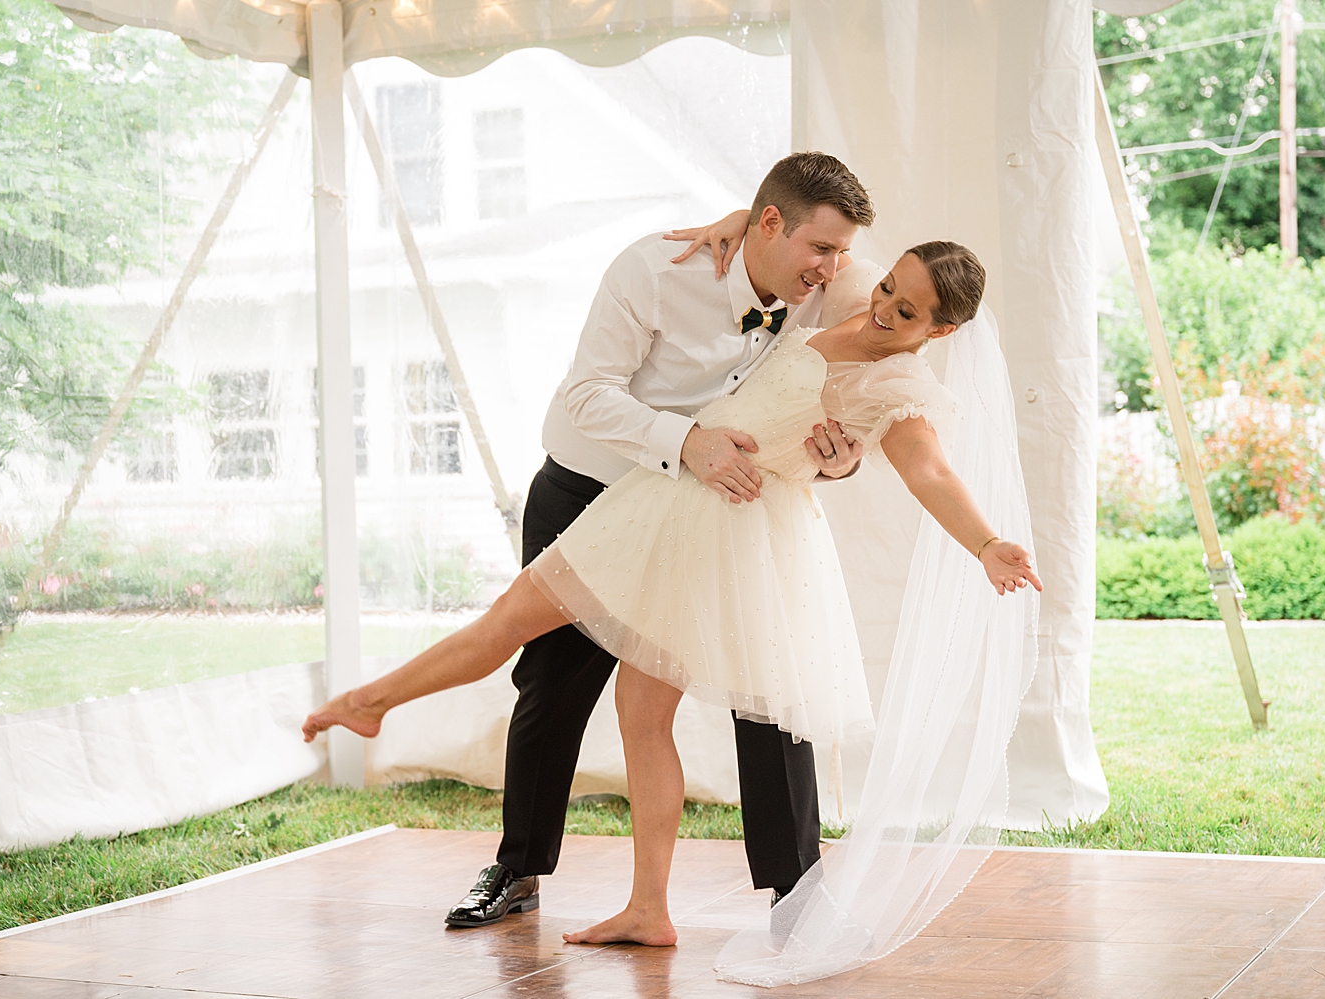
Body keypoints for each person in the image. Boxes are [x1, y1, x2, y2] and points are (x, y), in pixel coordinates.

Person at [302, 240, 1042, 948]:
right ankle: (645, 905)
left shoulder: (901, 386)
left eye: (908, 312)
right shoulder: (852, 288)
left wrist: (985, 542)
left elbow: (929, 473)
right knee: (567, 664)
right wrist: (732, 225)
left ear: (942, 330)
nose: (885, 307)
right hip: (663, 502)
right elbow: (793, 224)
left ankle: (375, 707)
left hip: (715, 527)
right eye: (890, 288)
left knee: (615, 694)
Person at [450, 152, 882, 932]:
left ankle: (799, 892)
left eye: (843, 251)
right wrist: (687, 441)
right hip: (592, 490)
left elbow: (881, 336)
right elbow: (587, 397)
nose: (834, 267)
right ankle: (518, 867)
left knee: (769, 682)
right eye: (822, 248)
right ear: (771, 223)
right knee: (551, 683)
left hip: (710, 504)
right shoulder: (654, 270)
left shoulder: (822, 282)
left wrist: (842, 459)